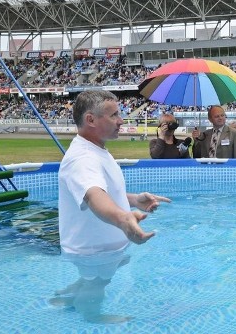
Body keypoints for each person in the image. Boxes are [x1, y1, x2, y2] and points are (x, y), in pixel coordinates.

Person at [55, 90, 171, 322]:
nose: (121, 120)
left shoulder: (94, 150)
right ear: (91, 120)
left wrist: (134, 200)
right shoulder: (83, 160)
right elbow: (94, 195)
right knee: (98, 282)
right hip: (94, 251)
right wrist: (122, 218)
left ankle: (65, 298)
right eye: (114, 115)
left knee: (92, 279)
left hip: (97, 249)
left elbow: (104, 190)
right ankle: (91, 316)